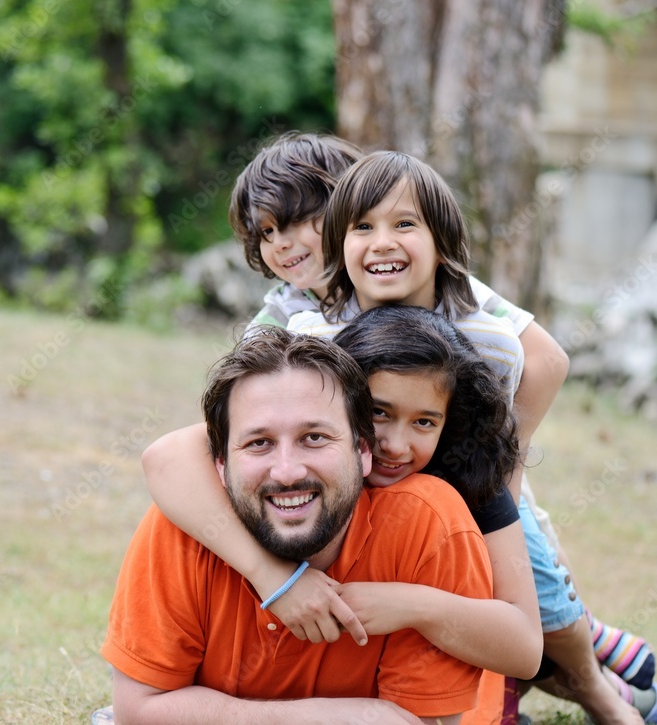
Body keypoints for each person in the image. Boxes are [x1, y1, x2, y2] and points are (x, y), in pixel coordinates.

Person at [144, 148, 652, 723]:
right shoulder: (311, 335)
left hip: (470, 476)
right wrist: (275, 578)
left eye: (403, 224)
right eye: (363, 227)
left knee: (535, 588)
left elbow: (547, 362)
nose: (382, 242)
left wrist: (501, 471)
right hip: (367, 515)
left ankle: (591, 681)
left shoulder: (479, 324)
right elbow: (203, 442)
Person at [101, 326, 494, 724]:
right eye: (259, 443)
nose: (287, 472)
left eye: (314, 437)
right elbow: (137, 711)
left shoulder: (426, 527)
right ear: (220, 464)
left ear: (363, 450)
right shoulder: (188, 521)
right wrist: (317, 718)